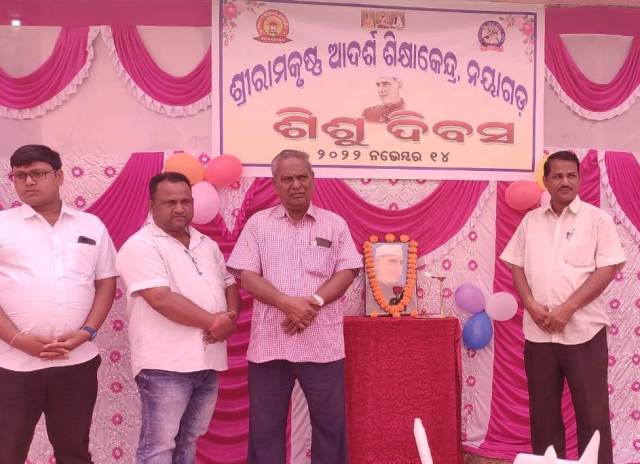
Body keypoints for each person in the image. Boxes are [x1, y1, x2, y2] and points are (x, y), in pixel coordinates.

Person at [228, 149, 362, 463]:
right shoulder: (259, 224)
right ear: (275, 184)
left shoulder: (334, 224)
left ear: (313, 179)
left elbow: (348, 271)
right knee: (265, 430)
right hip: (270, 345)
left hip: (322, 345)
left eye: (302, 177)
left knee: (330, 427)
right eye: (287, 179)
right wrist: (287, 304)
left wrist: (312, 304)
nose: (296, 184)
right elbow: (245, 275)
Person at [500, 150, 625, 464]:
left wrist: (568, 309)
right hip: (539, 334)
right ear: (546, 181)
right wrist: (530, 305)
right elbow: (516, 264)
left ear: (580, 179)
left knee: (593, 416)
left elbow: (608, 268)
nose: (565, 182)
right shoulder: (530, 222)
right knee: (543, 418)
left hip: (584, 333)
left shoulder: (597, 220)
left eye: (571, 175)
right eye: (557, 176)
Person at [0, 144, 117, 463]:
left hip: (75, 361)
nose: (28, 181)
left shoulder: (90, 226)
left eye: (38, 173)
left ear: (60, 176)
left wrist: (87, 332)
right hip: (13, 364)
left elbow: (106, 282)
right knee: (8, 451)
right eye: (20, 175)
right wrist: (17, 340)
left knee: (73, 450)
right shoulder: (3, 225)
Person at [116, 172, 240, 463]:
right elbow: (160, 298)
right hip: (165, 365)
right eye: (169, 202)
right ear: (152, 205)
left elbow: (229, 283)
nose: (179, 208)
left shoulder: (206, 243)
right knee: (159, 446)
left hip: (208, 361)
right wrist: (214, 323)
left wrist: (230, 318)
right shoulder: (141, 245)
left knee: (190, 439)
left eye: (185, 201)